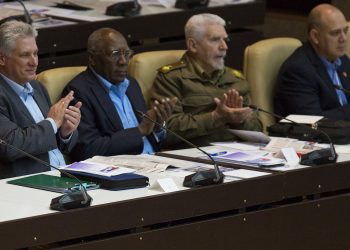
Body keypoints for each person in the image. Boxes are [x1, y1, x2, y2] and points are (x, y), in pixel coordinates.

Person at [63, 28, 176, 161]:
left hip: (155, 161)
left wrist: (156, 128)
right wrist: (140, 131)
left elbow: (150, 138)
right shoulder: (79, 91)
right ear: (93, 59)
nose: (123, 61)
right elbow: (87, 150)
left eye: (127, 53)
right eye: (115, 54)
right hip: (119, 169)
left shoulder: (131, 84)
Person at [150, 13, 262, 148]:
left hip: (241, 154)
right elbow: (165, 130)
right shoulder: (171, 78)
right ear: (193, 45)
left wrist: (239, 120)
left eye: (225, 40)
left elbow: (258, 128)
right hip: (194, 157)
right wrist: (215, 118)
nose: (224, 46)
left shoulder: (236, 78)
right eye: (215, 40)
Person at [0, 20, 81, 179]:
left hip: (61, 175)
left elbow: (49, 139)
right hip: (25, 185)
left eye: (35, 53)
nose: (34, 62)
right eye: (25, 55)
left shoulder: (37, 87)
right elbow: (11, 146)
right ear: (2, 59)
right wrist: (52, 123)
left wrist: (65, 132)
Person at [274, 4, 350, 120]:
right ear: (315, 36)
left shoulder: (342, 59)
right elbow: (312, 120)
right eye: (335, 33)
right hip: (317, 136)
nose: (343, 38)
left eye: (345, 31)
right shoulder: (297, 70)